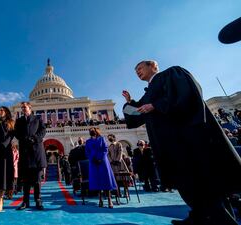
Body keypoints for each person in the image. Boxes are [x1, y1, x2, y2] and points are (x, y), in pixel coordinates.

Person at [122, 60, 241, 225]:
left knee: (203, 180)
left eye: (140, 68)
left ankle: (221, 220)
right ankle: (199, 215)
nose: (137, 72)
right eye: (135, 71)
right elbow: (138, 114)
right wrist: (130, 103)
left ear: (153, 66)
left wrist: (156, 105)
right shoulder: (148, 92)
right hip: (169, 144)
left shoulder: (172, 73)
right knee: (185, 181)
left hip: (186, 139)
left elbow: (188, 95)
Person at [14, 101, 47, 210]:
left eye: (25, 107)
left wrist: (34, 138)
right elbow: (17, 133)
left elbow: (43, 131)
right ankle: (25, 201)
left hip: (36, 151)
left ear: (30, 108)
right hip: (25, 152)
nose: (23, 109)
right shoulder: (19, 121)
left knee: (37, 179)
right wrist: (24, 139)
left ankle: (38, 200)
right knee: (26, 180)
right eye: (22, 107)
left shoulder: (37, 119)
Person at [85, 127, 117, 208]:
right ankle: (100, 200)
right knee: (97, 181)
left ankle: (109, 200)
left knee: (106, 180)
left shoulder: (101, 138)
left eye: (92, 131)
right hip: (93, 162)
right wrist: (92, 158)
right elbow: (87, 152)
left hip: (103, 162)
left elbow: (105, 149)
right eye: (90, 131)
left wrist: (100, 158)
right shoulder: (88, 141)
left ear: (96, 132)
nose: (91, 132)